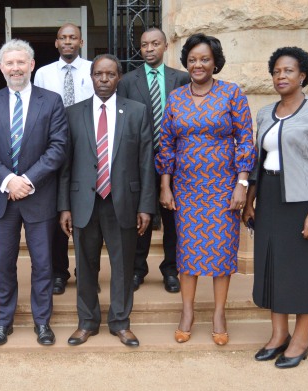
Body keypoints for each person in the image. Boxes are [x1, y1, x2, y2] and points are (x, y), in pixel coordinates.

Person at [243, 47, 308, 368]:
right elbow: (258, 162)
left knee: (304, 270)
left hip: (306, 200)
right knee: (274, 266)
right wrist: (250, 200)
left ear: (303, 76)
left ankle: (301, 339)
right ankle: (278, 335)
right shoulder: (265, 112)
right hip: (271, 199)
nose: (280, 76)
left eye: (288, 71)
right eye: (276, 71)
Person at [156, 33, 255, 346]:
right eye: (193, 59)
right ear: (186, 62)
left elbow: (245, 140)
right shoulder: (176, 98)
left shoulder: (232, 94)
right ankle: (187, 312)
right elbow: (166, 145)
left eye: (204, 59)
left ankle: (218, 313)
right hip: (187, 188)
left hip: (224, 187)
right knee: (188, 251)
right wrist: (165, 185)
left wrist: (242, 184)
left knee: (222, 252)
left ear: (215, 63)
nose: (197, 64)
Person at [59, 54, 156, 347]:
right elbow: (65, 164)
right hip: (83, 203)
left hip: (123, 201)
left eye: (110, 74)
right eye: (99, 74)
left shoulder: (137, 111)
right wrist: (64, 206)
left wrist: (146, 206)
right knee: (86, 266)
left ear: (119, 78)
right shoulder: (73, 113)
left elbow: (146, 162)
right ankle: (87, 322)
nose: (104, 80)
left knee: (123, 266)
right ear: (91, 77)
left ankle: (120, 323)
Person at [0, 39, 68, 346]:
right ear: (1, 67)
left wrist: (27, 180)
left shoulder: (52, 101)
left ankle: (42, 322)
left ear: (31, 65)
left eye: (21, 62)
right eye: (9, 63)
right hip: (1, 199)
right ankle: (3, 322)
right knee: (3, 264)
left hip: (39, 196)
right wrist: (8, 181)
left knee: (43, 264)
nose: (15, 68)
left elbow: (58, 147)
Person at [117, 27, 190, 293]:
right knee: (142, 216)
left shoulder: (181, 79)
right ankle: (137, 269)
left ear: (165, 46)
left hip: (176, 163)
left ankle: (171, 269)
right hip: (140, 162)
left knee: (173, 220)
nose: (149, 49)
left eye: (154, 44)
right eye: (144, 44)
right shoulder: (127, 81)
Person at [34, 23, 94, 295]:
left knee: (85, 212)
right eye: (63, 38)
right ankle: (59, 272)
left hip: (87, 149)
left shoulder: (94, 69)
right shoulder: (43, 74)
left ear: (80, 42)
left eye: (73, 38)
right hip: (53, 150)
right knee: (57, 210)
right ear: (56, 43)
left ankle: (86, 270)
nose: (68, 42)